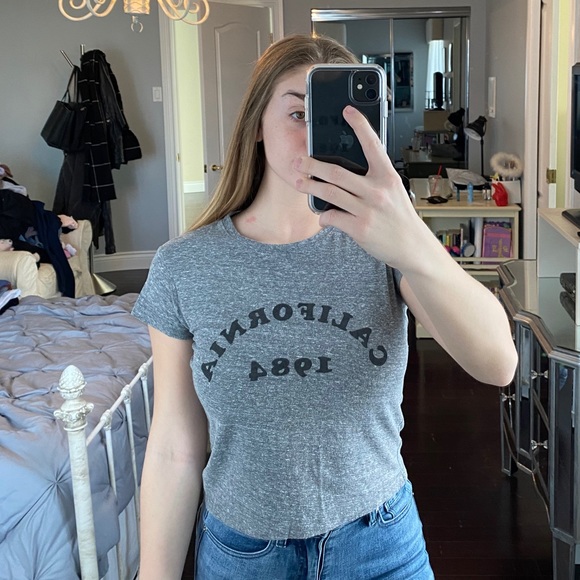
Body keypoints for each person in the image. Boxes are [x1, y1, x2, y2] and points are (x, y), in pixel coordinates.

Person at [132, 34, 517, 580]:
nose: (315, 137)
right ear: (256, 124)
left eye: (337, 120)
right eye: (298, 114)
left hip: (380, 544)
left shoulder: (385, 245)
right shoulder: (183, 266)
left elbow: (498, 363)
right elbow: (174, 447)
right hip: (241, 555)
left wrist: (412, 237)